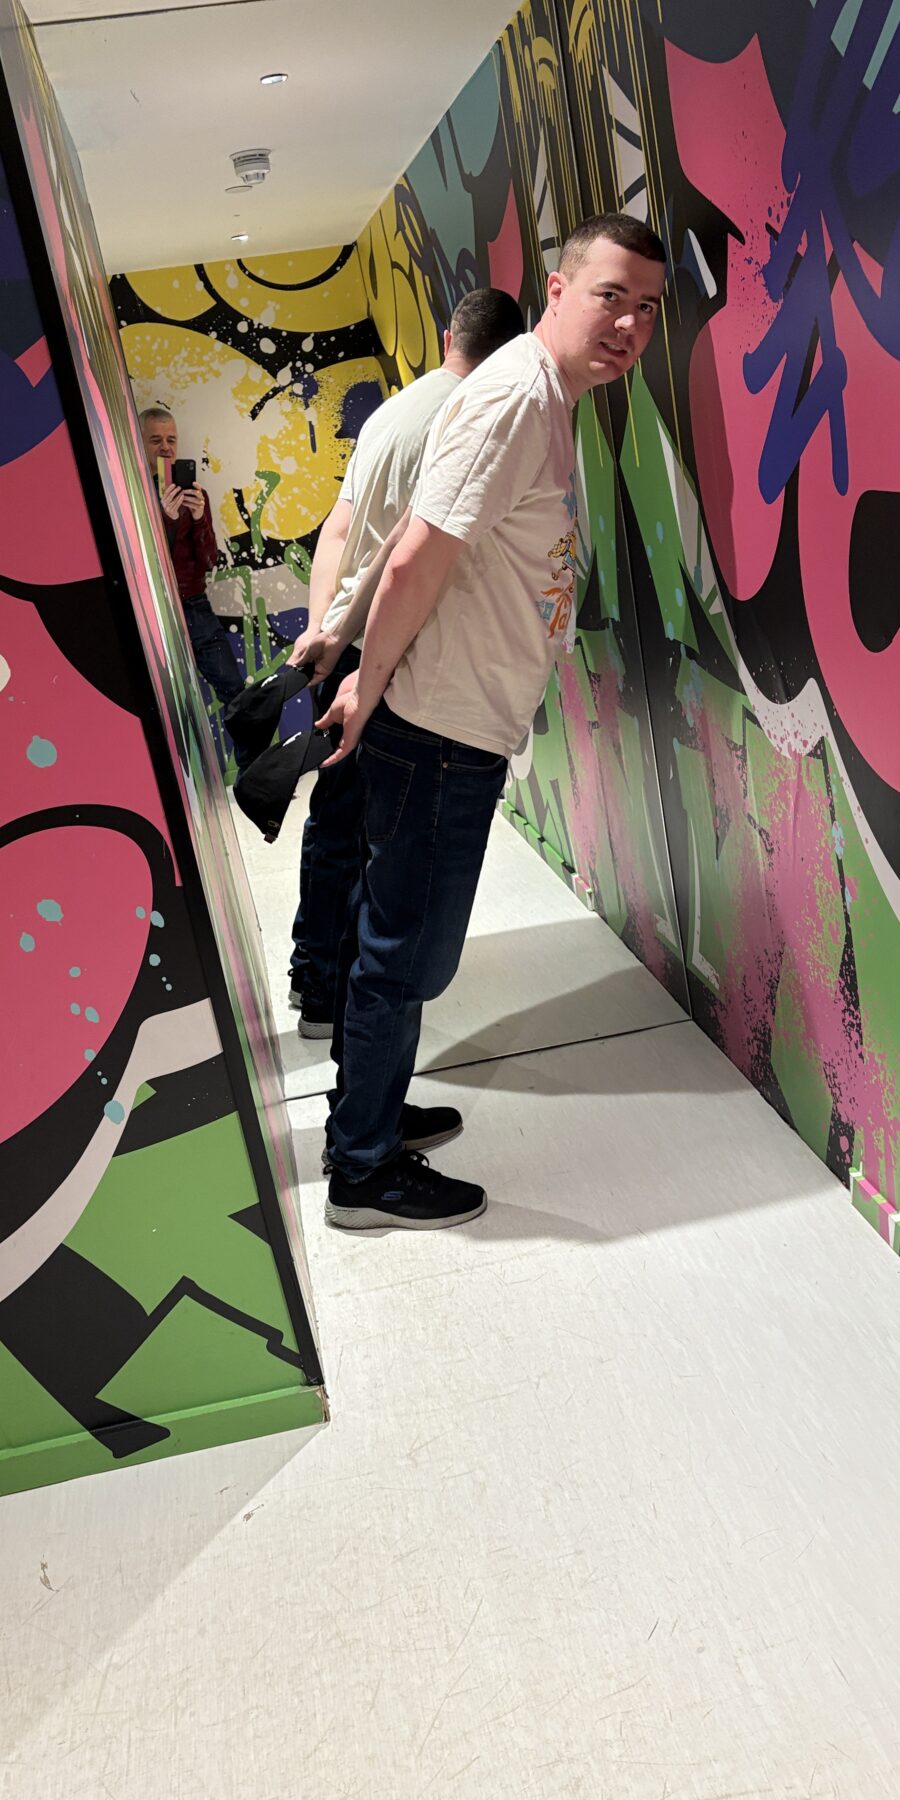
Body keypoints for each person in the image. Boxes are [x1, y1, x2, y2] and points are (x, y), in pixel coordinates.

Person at [315, 214, 667, 1231]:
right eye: (610, 296)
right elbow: (418, 553)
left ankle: (367, 1118)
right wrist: (367, 679)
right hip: (439, 730)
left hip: (455, 722)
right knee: (406, 958)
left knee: (397, 948)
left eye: (647, 309)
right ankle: (362, 1171)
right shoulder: (518, 397)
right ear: (557, 289)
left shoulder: (542, 394)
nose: (629, 326)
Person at [284, 287, 526, 1041]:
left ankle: (316, 982)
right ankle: (357, 1008)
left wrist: (323, 628)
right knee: (386, 846)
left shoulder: (390, 413)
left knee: (335, 821)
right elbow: (412, 564)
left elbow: (338, 529)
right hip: (396, 652)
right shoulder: (477, 419)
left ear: (450, 335)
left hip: (345, 641)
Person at [139, 406, 244, 720]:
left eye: (171, 439)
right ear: (139, 442)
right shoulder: (132, 495)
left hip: (194, 604)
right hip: (151, 609)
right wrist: (165, 519)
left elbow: (209, 560)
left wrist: (198, 518)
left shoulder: (195, 495)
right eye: (155, 440)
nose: (165, 447)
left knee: (236, 694)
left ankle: (251, 752)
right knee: (165, 702)